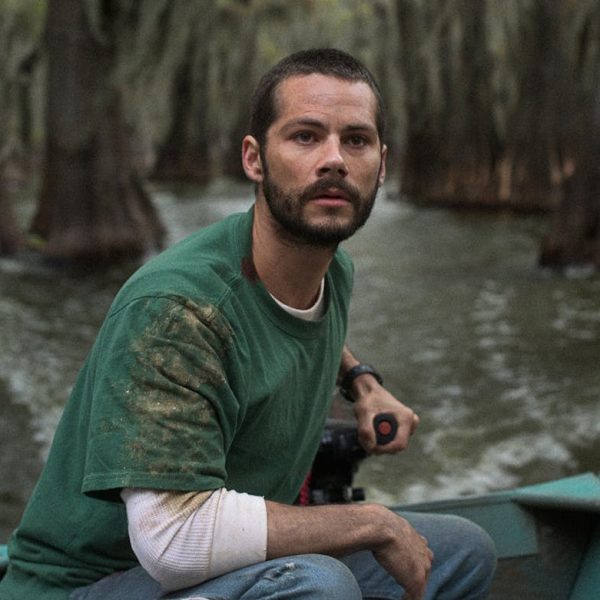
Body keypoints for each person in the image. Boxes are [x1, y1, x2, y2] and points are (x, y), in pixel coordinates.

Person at [0, 48, 496, 600]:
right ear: (254, 159)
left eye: (355, 140)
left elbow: (290, 324)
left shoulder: (332, 271)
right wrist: (371, 522)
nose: (333, 159)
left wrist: (363, 382)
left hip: (212, 572)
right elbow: (174, 542)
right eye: (306, 136)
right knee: (317, 584)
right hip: (88, 585)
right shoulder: (176, 310)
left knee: (463, 551)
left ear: (382, 164)